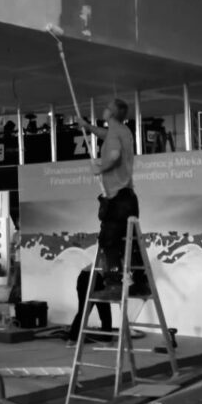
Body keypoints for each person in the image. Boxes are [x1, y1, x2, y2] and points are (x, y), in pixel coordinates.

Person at [68, 99, 150, 341]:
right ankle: (140, 281)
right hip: (129, 197)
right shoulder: (122, 130)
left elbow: (113, 154)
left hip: (117, 198)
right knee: (129, 243)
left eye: (106, 107)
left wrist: (100, 167)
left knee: (109, 241)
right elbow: (106, 135)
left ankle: (113, 284)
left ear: (112, 113)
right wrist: (87, 127)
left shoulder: (115, 134)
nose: (103, 109)